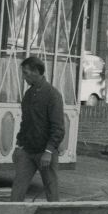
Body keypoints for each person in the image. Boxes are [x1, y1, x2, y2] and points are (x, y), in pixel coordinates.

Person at [13, 55, 66, 202]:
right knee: (17, 190)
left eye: (26, 73)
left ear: (37, 71)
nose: (24, 77)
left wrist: (48, 152)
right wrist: (19, 145)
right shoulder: (28, 95)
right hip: (27, 151)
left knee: (52, 192)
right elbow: (25, 123)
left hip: (46, 154)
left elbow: (58, 128)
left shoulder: (53, 95)